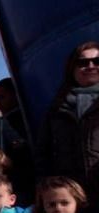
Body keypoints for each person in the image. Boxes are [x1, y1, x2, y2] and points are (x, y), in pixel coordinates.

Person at [37, 41, 99, 202]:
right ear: (72, 68)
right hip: (72, 199)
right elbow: (44, 153)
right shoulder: (57, 109)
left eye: (97, 61)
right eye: (83, 63)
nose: (91, 66)